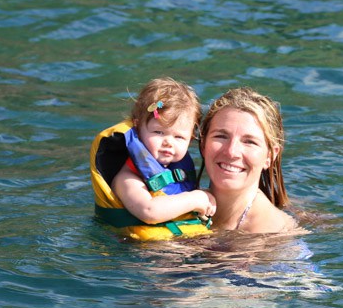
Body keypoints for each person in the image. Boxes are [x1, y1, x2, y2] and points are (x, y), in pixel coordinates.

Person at [90, 78, 215, 241]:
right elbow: (149, 211)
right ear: (138, 128)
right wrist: (195, 198)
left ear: (191, 138)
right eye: (158, 132)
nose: (168, 142)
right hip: (144, 254)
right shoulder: (127, 178)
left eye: (179, 137)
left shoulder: (176, 170)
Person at [197, 87, 300, 234]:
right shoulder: (179, 199)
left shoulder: (269, 233)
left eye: (249, 142)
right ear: (203, 144)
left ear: (270, 156)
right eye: (221, 136)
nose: (231, 152)